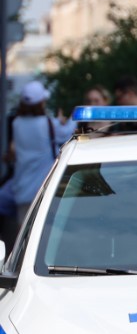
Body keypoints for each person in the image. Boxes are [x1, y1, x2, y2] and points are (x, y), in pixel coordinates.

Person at [3, 81, 76, 226]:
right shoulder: (48, 123)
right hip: (43, 189)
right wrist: (73, 118)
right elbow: (67, 132)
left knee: (24, 234)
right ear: (41, 102)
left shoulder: (16, 123)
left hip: (22, 190)